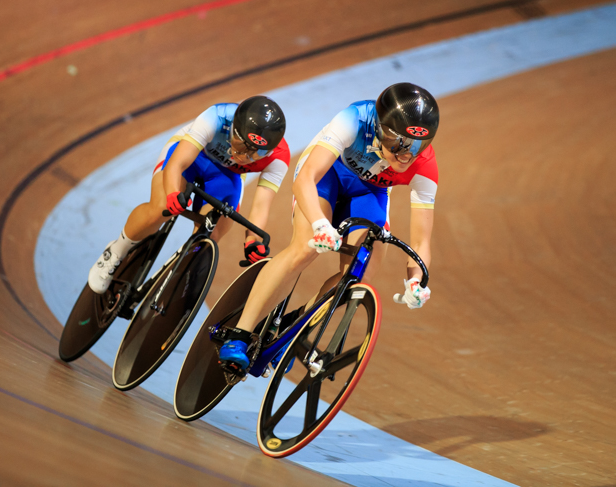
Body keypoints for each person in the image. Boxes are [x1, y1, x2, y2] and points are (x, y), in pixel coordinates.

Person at [219, 82, 439, 369]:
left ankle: (292, 327)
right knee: (305, 248)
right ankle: (239, 333)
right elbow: (306, 178)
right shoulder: (355, 119)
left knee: (358, 277)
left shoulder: (425, 165)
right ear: (382, 128)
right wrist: (321, 224)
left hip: (369, 193)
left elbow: (421, 243)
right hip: (327, 175)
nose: (406, 155)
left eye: (418, 145)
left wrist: (416, 279)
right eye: (399, 143)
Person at [87, 95, 290, 294]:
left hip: (226, 175)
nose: (245, 157)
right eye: (240, 145)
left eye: (256, 153)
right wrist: (174, 194)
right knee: (161, 208)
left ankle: (175, 279)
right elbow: (178, 164)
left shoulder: (279, 158)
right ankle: (115, 251)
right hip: (194, 155)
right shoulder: (217, 116)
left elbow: (262, 204)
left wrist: (252, 240)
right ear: (233, 129)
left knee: (212, 235)